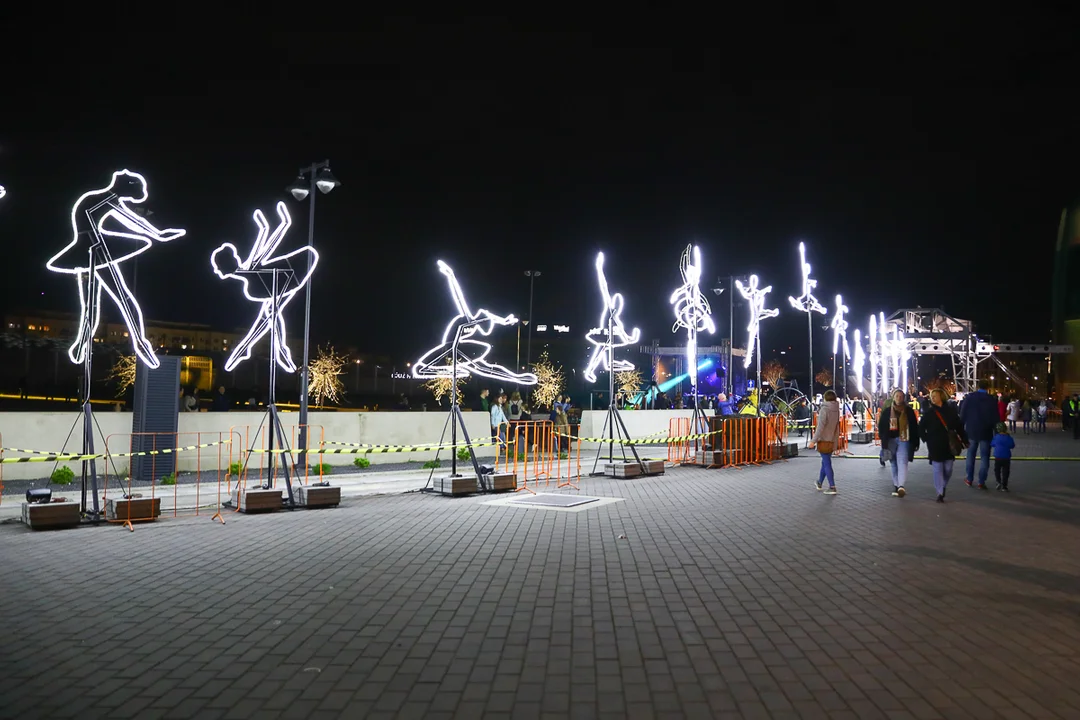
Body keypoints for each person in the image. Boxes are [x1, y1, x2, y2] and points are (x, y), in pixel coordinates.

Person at [919, 388, 969, 503]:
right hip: (934, 444)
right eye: (931, 396)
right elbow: (921, 427)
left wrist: (964, 439)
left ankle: (943, 485)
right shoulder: (929, 412)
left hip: (949, 444)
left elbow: (959, 426)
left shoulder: (950, 411)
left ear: (941, 397)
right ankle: (940, 492)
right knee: (937, 468)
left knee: (948, 468)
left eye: (935, 396)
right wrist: (925, 438)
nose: (932, 398)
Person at [877, 389, 919, 498]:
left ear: (904, 398)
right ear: (893, 397)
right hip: (890, 439)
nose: (899, 398)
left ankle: (901, 486)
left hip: (904, 439)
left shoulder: (908, 411)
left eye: (901, 396)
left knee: (903, 461)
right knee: (893, 462)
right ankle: (896, 484)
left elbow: (914, 427)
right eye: (897, 396)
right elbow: (882, 426)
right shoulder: (887, 411)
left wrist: (916, 442)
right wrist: (883, 439)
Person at [959, 379, 999, 489]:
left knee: (970, 455)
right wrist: (997, 433)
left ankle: (969, 479)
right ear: (988, 387)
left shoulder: (970, 398)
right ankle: (981, 481)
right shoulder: (991, 400)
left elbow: (962, 414)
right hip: (986, 432)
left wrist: (961, 430)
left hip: (971, 431)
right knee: (985, 457)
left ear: (977, 386)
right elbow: (995, 418)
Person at [810, 389, 840, 495]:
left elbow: (820, 427)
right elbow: (837, 427)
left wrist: (813, 441)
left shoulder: (824, 409)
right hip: (832, 440)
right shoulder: (836, 409)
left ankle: (832, 486)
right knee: (825, 462)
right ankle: (819, 482)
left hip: (823, 440)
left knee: (827, 463)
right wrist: (836, 441)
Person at [991, 421, 1015, 492]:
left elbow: (992, 444)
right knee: (1005, 471)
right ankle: (1004, 486)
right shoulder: (1008, 437)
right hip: (1006, 457)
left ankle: (998, 481)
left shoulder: (996, 437)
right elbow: (1012, 445)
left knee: (997, 470)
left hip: (998, 457)